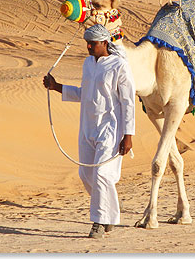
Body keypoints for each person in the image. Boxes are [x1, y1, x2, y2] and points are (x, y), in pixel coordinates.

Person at [43, 24, 136, 239]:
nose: (88, 47)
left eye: (92, 43)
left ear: (104, 43)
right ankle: (109, 213)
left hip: (111, 128)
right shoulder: (88, 64)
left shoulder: (119, 65)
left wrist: (128, 135)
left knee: (102, 174)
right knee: (85, 174)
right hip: (87, 127)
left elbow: (128, 102)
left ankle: (98, 222)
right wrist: (56, 87)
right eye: (87, 43)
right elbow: (85, 94)